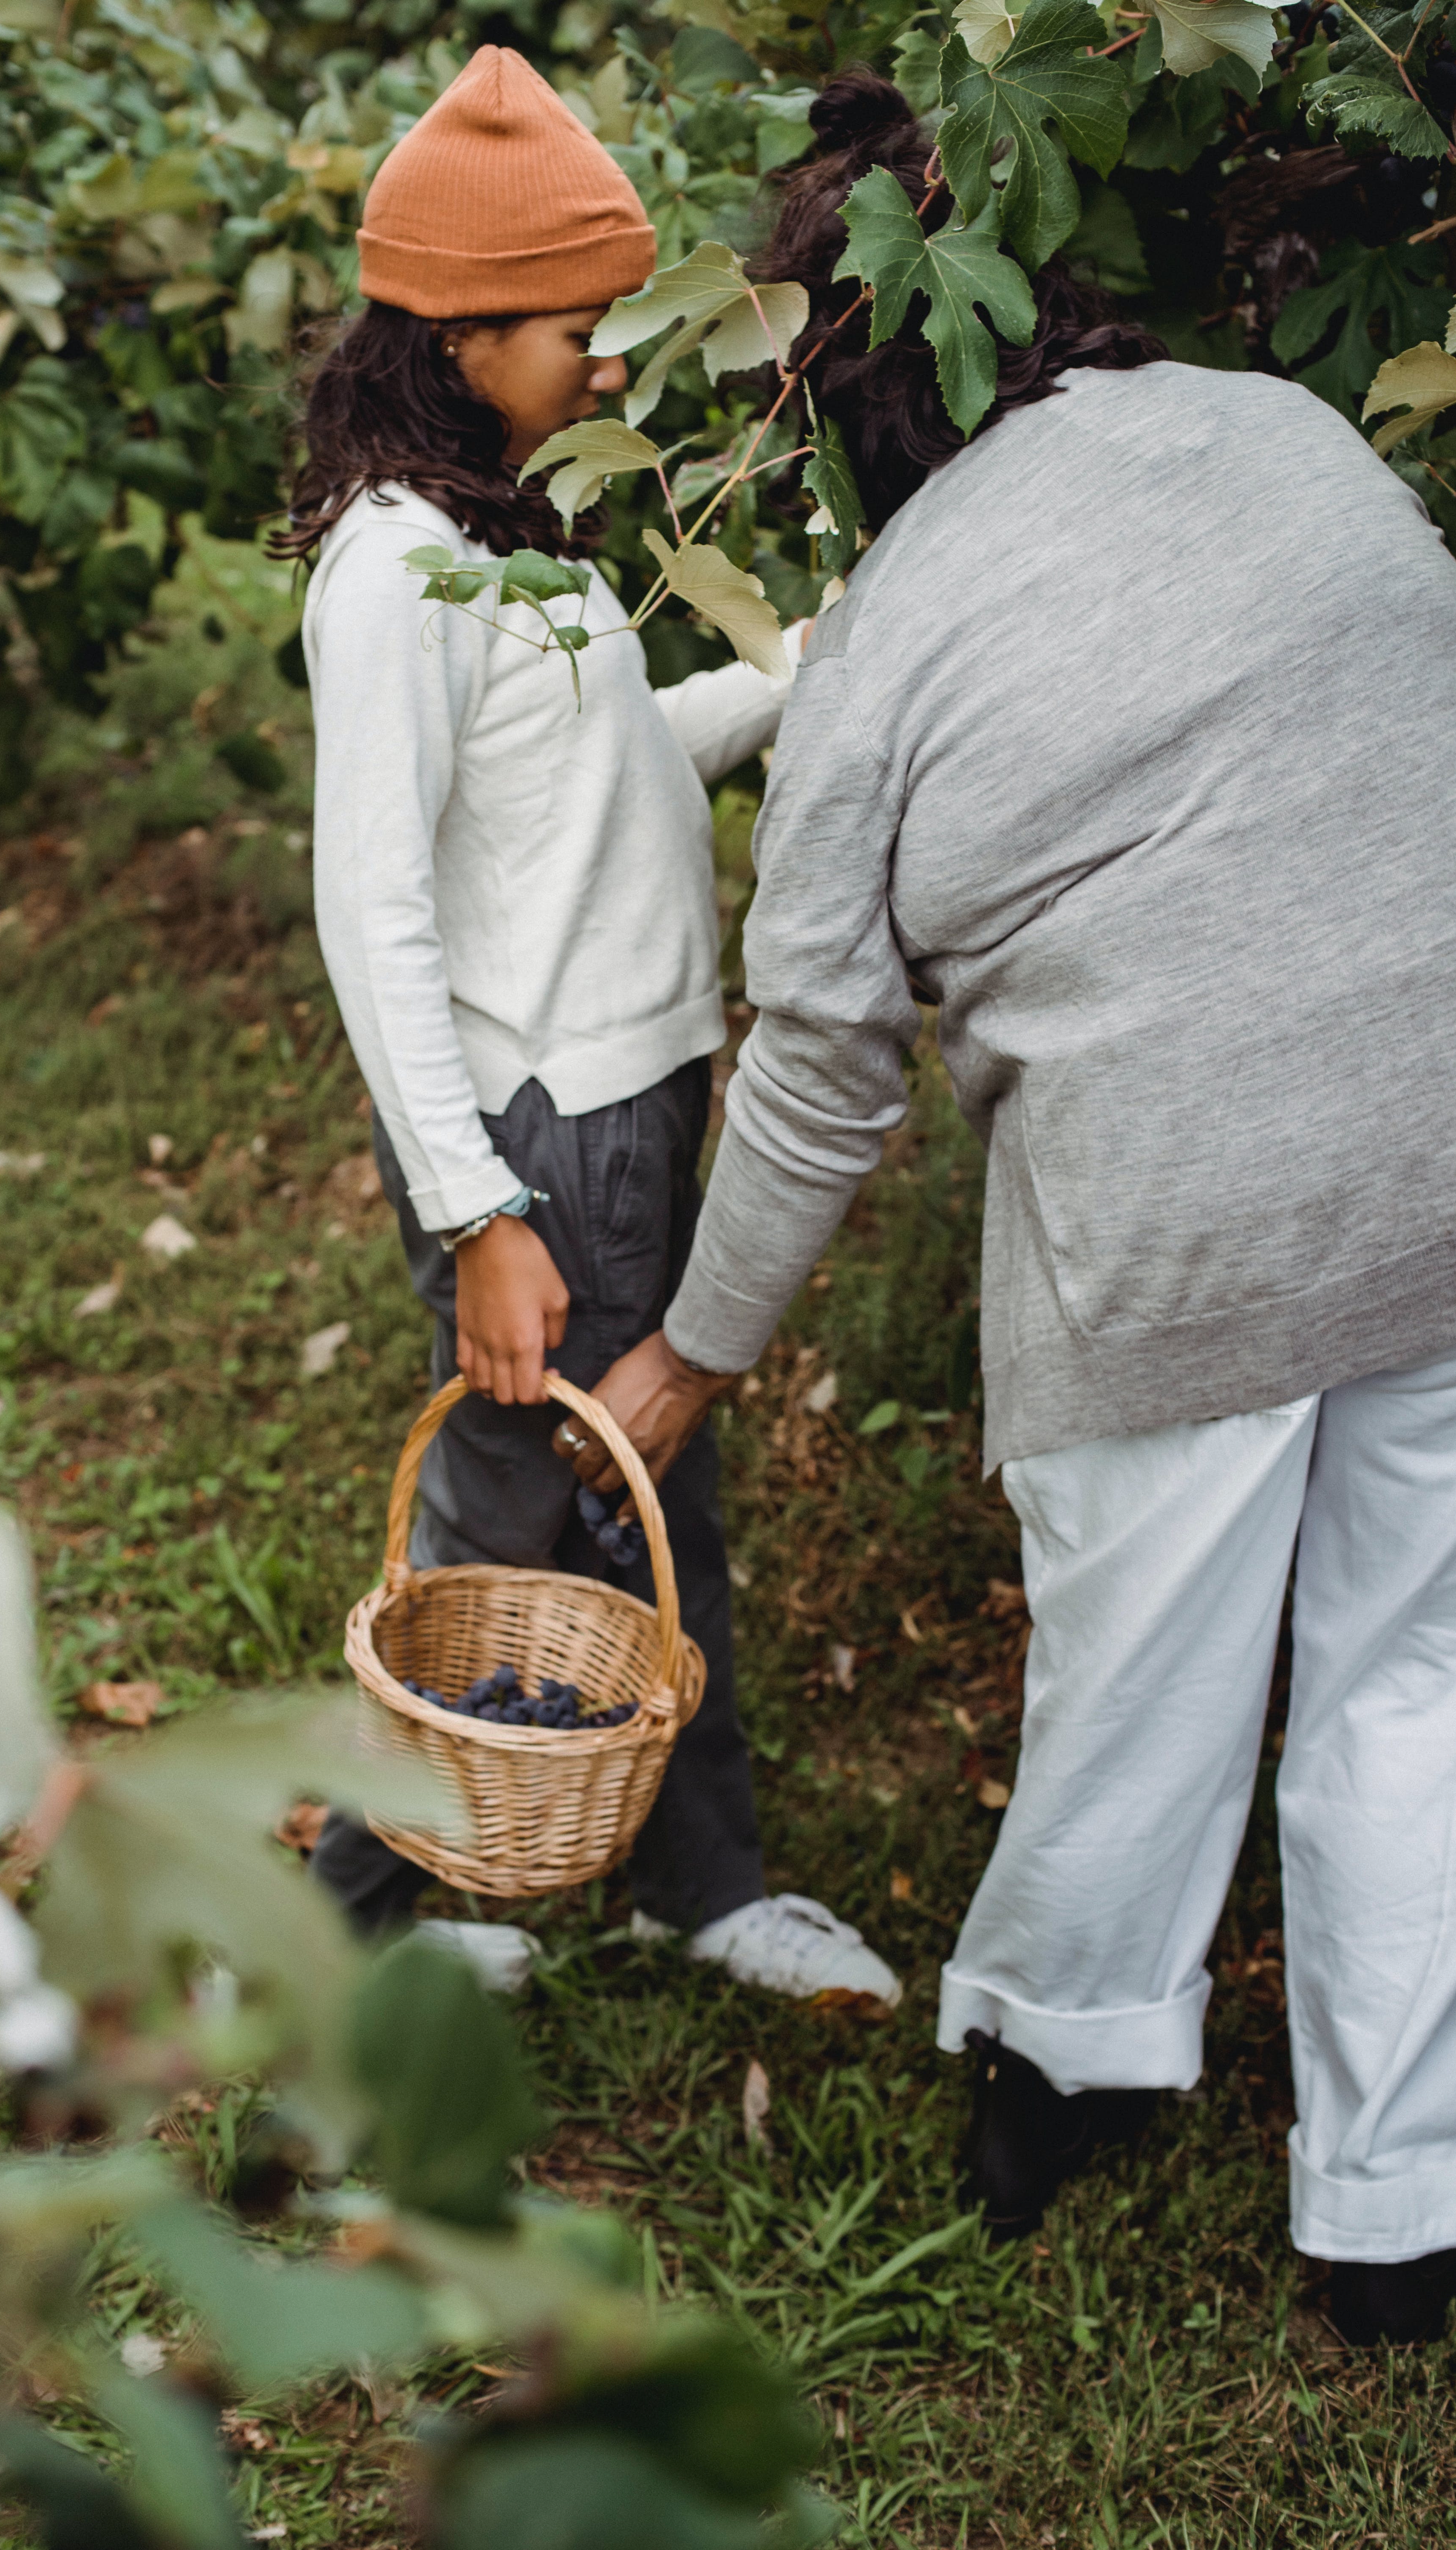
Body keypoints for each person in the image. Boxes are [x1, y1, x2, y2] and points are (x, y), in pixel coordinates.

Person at [563, 69, 1456, 2344]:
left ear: (830, 412)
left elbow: (817, 1069)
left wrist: (693, 1352)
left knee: (1147, 1680)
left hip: (1176, 1219)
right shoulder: (1287, 428)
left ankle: (1066, 2078)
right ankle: (1402, 2214)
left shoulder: (891, 631)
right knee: (1443, 1673)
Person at [287, 45, 898, 2010]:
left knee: (643, 1497)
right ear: (462, 337)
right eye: (581, 326)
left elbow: (602, 771)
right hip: (540, 1129)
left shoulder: (518, 534)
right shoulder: (395, 573)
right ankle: (362, 1934)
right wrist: (479, 1211)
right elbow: (372, 909)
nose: (619, 362)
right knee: (518, 1508)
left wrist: (797, 680)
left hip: (633, 1091)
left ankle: (660, 1869)